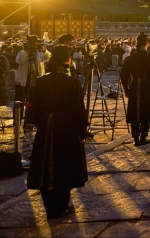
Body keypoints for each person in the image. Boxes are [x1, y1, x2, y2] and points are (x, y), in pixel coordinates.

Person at [26, 46, 87, 219]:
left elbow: (34, 108)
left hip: (46, 127)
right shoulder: (72, 83)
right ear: (66, 61)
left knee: (46, 165)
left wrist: (41, 122)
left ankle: (49, 207)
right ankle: (61, 206)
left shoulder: (41, 81)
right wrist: (82, 131)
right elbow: (78, 110)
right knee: (64, 164)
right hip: (66, 127)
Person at [120, 32, 150, 146]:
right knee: (146, 110)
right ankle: (143, 136)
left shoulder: (131, 58)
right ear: (147, 44)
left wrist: (126, 89)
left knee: (135, 110)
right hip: (147, 86)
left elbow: (124, 75)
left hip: (135, 85)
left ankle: (135, 137)